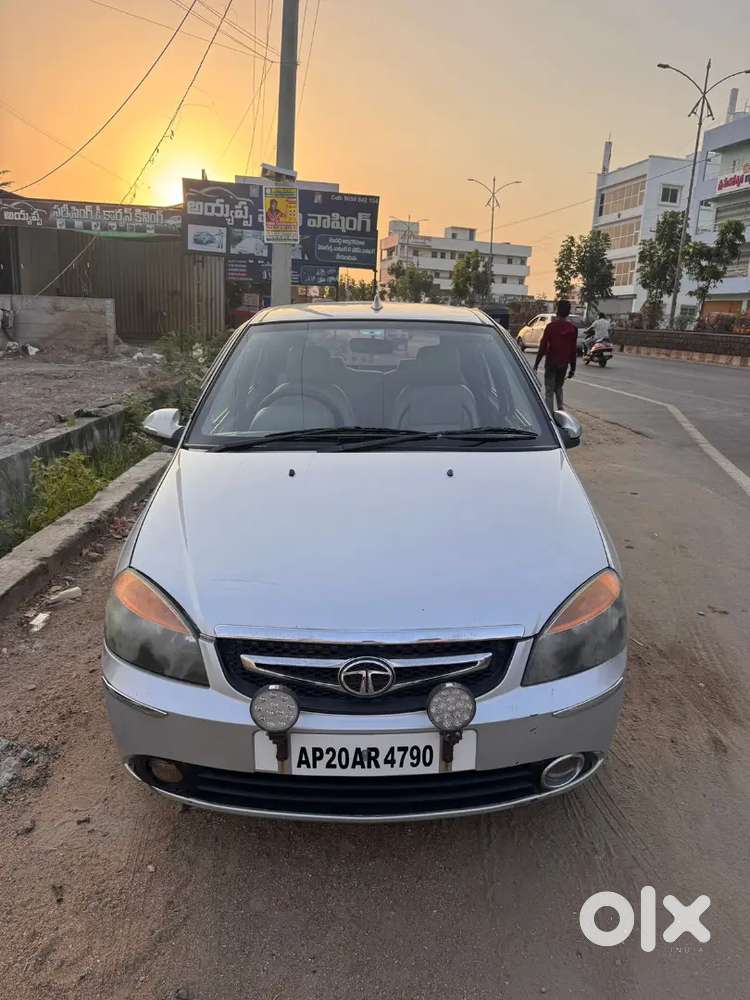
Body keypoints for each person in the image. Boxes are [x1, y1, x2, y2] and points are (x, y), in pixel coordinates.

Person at [534, 299, 577, 412]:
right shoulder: (573, 329)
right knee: (559, 387)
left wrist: (536, 364)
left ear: (557, 311)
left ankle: (550, 415)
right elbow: (573, 350)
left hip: (551, 363)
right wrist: (573, 368)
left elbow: (543, 346)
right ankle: (561, 411)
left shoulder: (550, 327)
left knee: (549, 390)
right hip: (563, 364)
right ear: (568, 313)